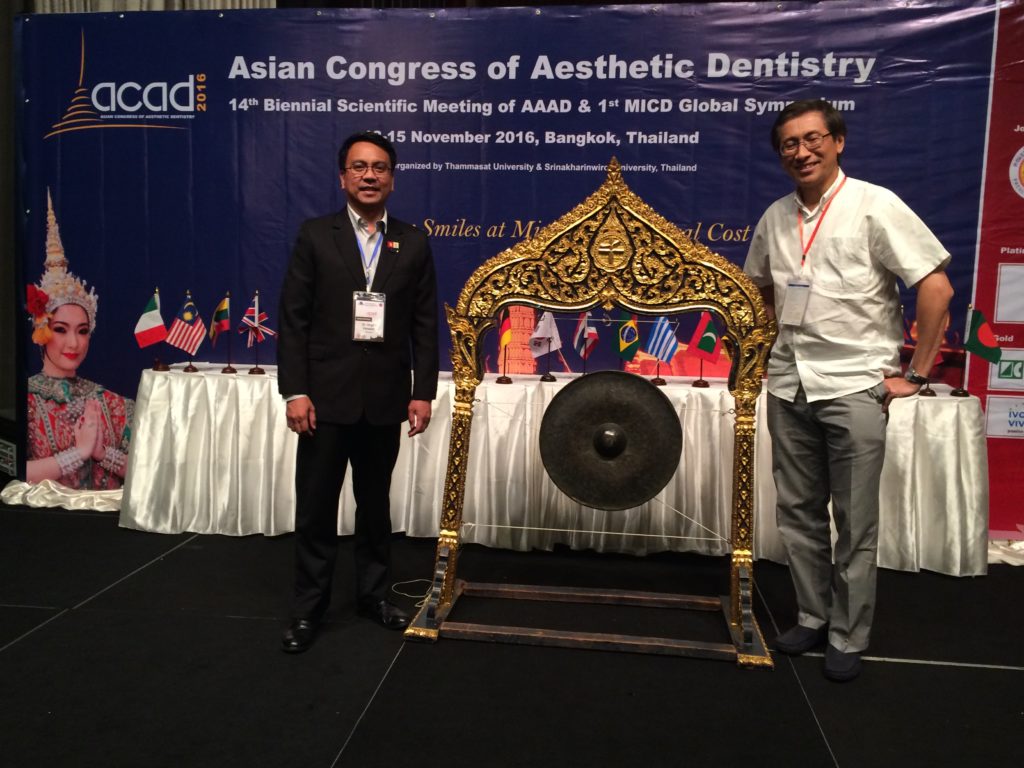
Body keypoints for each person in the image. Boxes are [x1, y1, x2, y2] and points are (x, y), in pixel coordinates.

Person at [743, 99, 953, 681]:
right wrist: (764, 357)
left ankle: (847, 633)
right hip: (789, 385)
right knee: (798, 514)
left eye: (813, 138)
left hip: (855, 386)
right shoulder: (775, 217)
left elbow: (936, 286)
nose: (802, 151)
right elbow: (761, 292)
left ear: (838, 142)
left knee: (855, 522)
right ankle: (813, 616)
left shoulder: (874, 205)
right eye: (789, 143)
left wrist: (916, 373)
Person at [277, 131, 439, 653]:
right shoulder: (315, 236)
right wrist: (295, 392)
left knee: (375, 509)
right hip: (324, 401)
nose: (370, 175)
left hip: (385, 400)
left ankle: (374, 598)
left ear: (393, 178)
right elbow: (294, 321)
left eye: (380, 167)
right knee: (316, 510)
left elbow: (424, 324)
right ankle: (308, 611)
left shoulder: (413, 241)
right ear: (342, 177)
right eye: (359, 167)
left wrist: (423, 391)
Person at [25, 193, 134, 490]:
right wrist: (78, 454)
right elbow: (14, 471)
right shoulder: (26, 401)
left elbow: (149, 472)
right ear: (42, 331)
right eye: (61, 330)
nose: (73, 342)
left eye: (82, 331)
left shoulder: (112, 403)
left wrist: (102, 453)